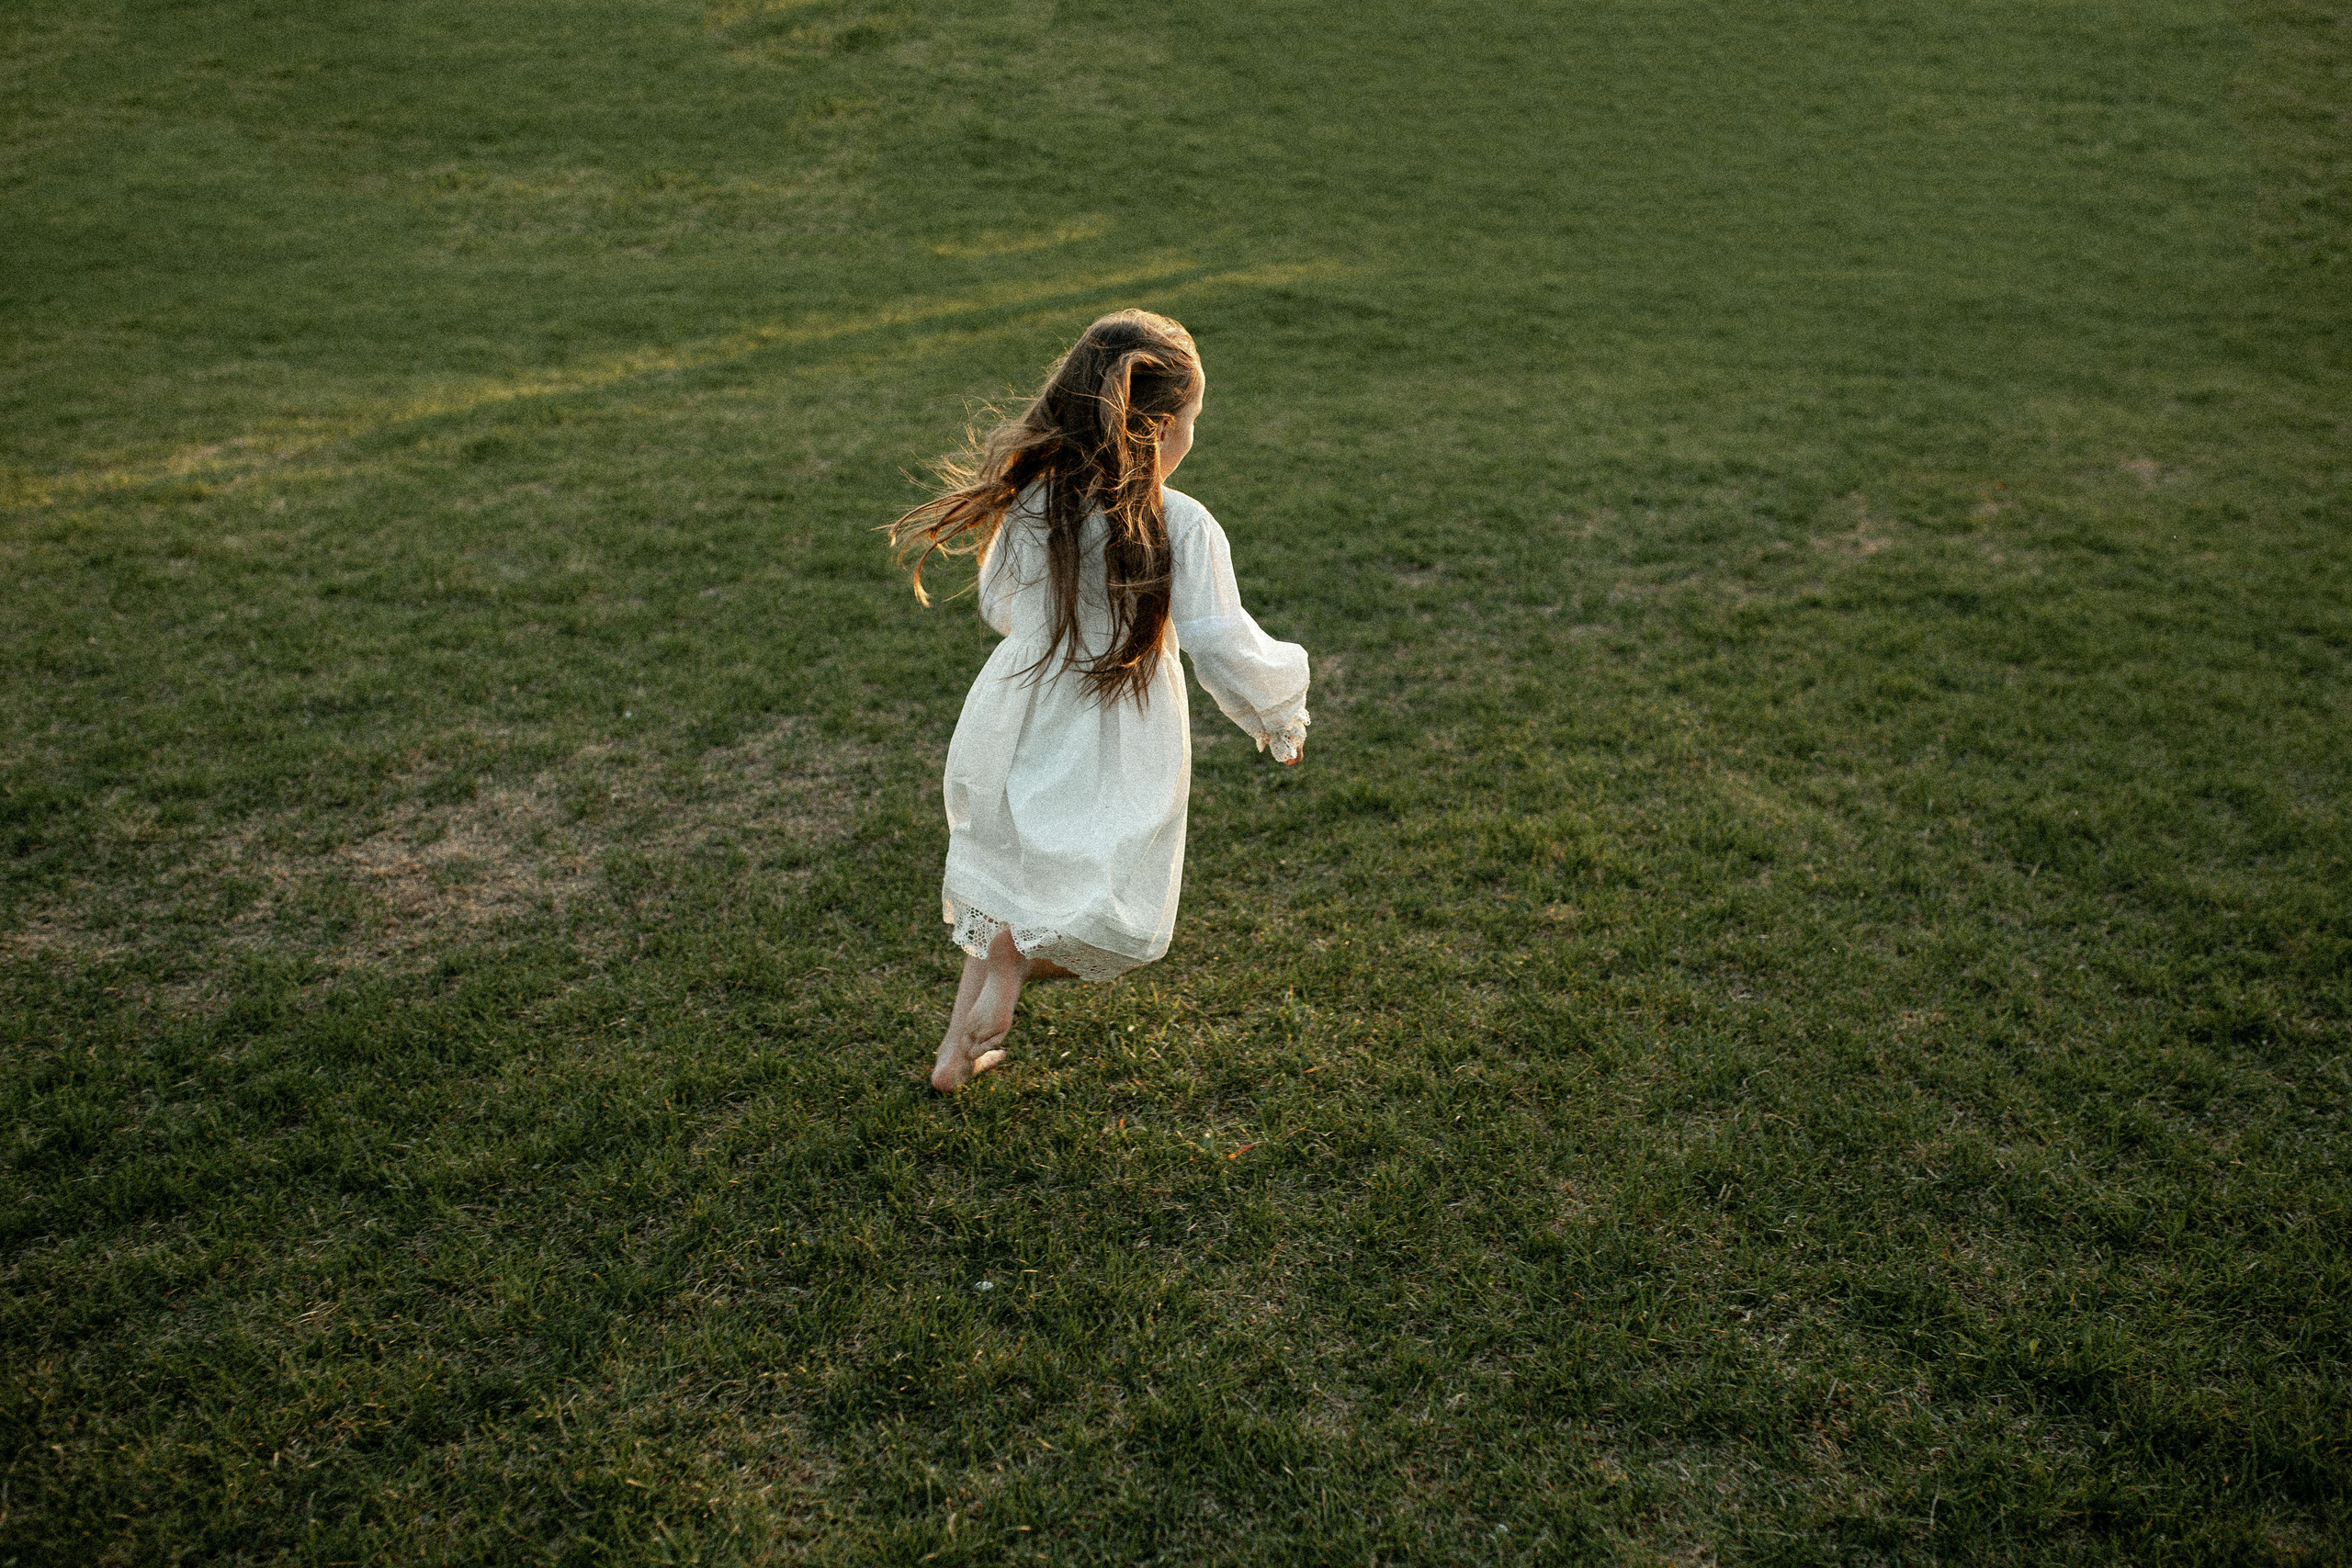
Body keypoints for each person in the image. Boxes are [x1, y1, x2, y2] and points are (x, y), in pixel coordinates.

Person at [887, 310, 1312, 1093]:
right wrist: (1278, 712)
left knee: (1010, 882)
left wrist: (1051, 631)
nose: (1194, 439)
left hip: (1020, 713)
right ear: (1154, 432)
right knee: (1110, 914)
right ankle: (1012, 964)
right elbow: (1222, 638)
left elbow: (1000, 605)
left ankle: (955, 1054)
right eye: (1190, 422)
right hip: (1119, 728)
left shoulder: (1033, 504)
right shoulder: (1180, 523)